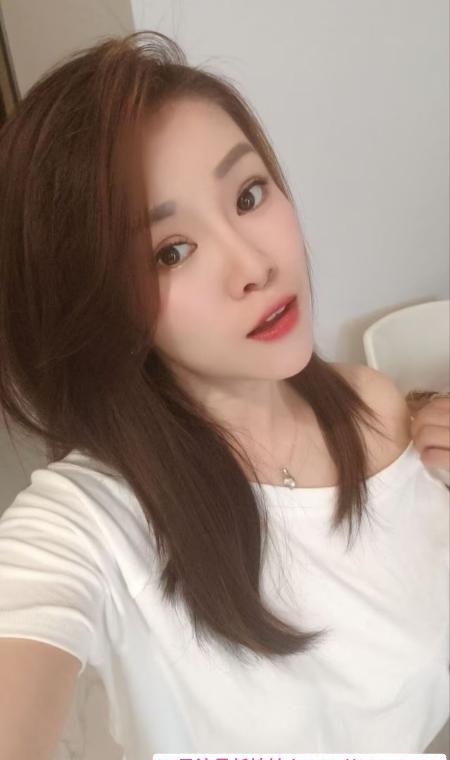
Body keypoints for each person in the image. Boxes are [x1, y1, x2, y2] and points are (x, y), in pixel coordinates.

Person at [0, 30, 448, 759]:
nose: (253, 265)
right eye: (170, 251)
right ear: (101, 303)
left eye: (248, 195)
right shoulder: (91, 525)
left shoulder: (379, 411)